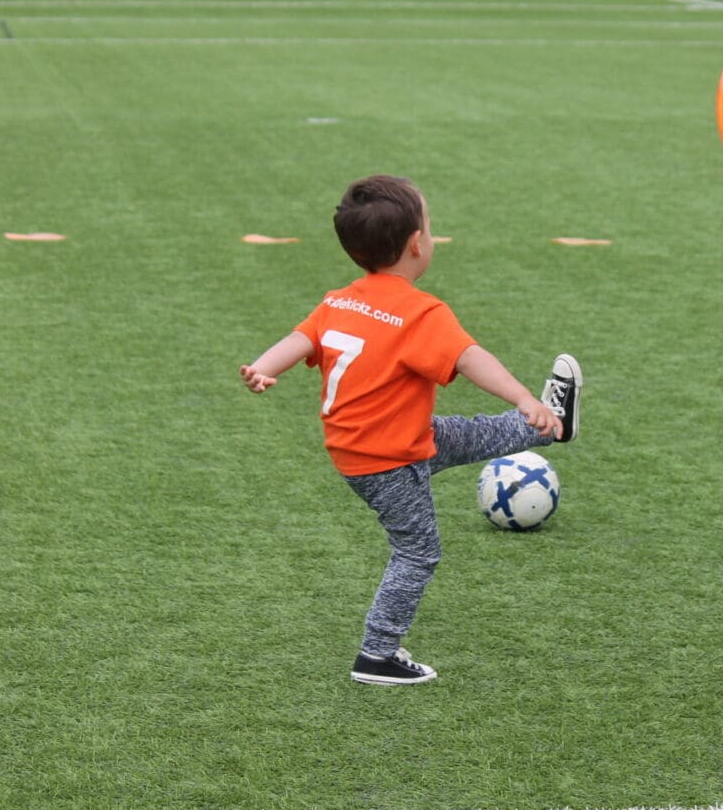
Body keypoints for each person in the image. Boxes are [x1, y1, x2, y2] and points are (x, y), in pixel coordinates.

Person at [240, 175, 583, 686]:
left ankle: (551, 426)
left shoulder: (342, 299)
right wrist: (521, 395)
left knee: (473, 435)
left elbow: (300, 338)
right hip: (389, 463)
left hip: (378, 443)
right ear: (417, 244)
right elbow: (472, 360)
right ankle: (376, 655)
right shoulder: (421, 313)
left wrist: (262, 366)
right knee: (418, 552)